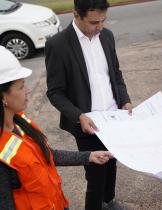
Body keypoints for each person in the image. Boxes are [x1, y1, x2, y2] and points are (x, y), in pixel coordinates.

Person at [0, 46, 113, 210]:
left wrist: (89, 156)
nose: (28, 90)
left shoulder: (20, 122)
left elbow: (47, 154)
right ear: (3, 97)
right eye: (21, 86)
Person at [45, 0, 132, 209]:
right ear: (77, 15)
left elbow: (115, 75)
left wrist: (125, 100)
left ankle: (108, 201)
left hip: (114, 119)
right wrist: (79, 116)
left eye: (103, 20)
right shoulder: (58, 45)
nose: (100, 27)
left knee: (112, 165)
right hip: (87, 125)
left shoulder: (107, 36)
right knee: (95, 178)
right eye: (94, 22)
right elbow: (55, 92)